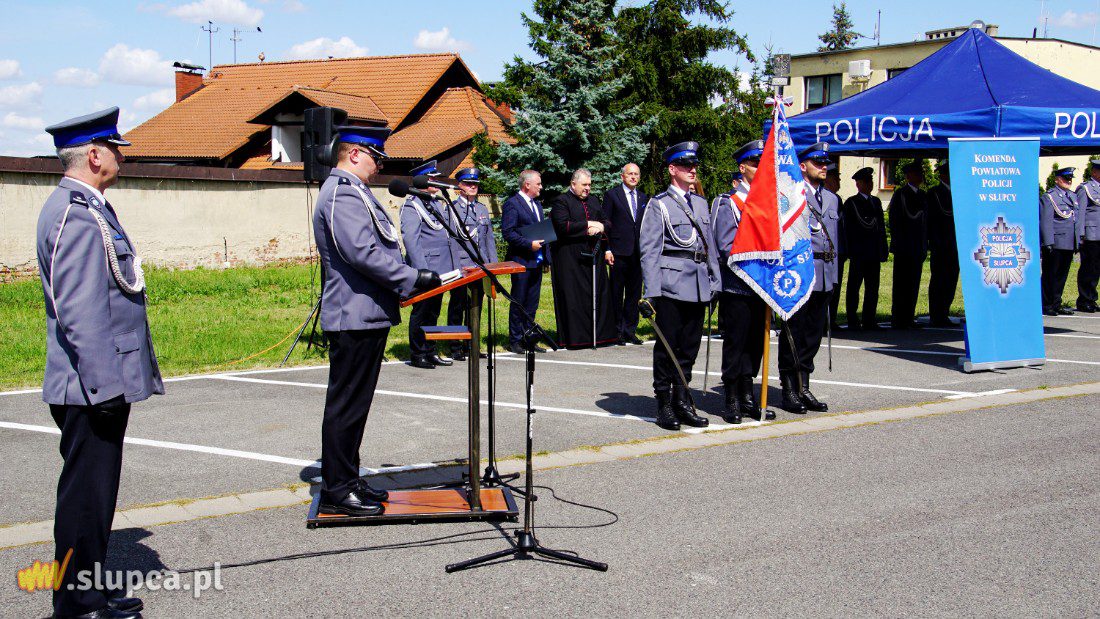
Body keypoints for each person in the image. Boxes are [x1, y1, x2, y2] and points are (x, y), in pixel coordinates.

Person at [38, 107, 158, 619]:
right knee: (85, 500)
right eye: (115, 147)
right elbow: (80, 312)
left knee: (95, 497)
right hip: (90, 387)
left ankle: (88, 587)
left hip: (96, 382)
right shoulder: (77, 214)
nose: (120, 155)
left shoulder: (87, 207)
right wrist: (105, 387)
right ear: (93, 154)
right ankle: (78, 604)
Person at [313, 126, 440, 517]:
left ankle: (348, 478)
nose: (379, 164)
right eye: (375, 157)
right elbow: (363, 253)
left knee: (356, 405)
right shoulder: (342, 193)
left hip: (367, 312)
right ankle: (337, 487)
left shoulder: (356, 192)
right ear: (353, 155)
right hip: (352, 314)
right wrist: (411, 278)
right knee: (346, 405)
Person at [639, 141, 720, 430]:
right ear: (672, 169)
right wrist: (651, 292)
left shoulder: (699, 202)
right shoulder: (659, 204)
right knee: (667, 348)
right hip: (672, 285)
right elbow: (649, 250)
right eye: (686, 165)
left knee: (689, 348)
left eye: (694, 165)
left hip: (698, 284)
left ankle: (683, 400)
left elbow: (708, 245)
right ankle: (664, 404)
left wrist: (715, 279)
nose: (692, 169)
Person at [710, 140, 770, 424]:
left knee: (756, 343)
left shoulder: (769, 202)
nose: (759, 169)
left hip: (763, 286)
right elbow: (724, 245)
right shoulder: (728, 203)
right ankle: (731, 397)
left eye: (762, 163)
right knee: (736, 342)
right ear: (742, 167)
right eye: (755, 163)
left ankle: (748, 395)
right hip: (738, 284)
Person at [779, 142, 838, 414]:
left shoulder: (832, 198)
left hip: (825, 275)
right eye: (817, 162)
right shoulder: (792, 196)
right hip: (801, 274)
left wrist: (835, 275)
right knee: (794, 333)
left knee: (813, 335)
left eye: (825, 162)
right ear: (802, 166)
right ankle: (789, 388)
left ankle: (804, 385)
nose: (823, 166)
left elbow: (835, 241)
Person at [548, 168, 618, 348]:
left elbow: (608, 222)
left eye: (589, 185)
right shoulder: (561, 201)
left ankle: (601, 336)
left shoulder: (594, 201)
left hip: (593, 256)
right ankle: (576, 338)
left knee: (597, 295)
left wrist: (600, 227)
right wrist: (589, 224)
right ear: (573, 184)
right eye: (584, 185)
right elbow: (563, 226)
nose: (587, 188)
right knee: (574, 298)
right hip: (570, 258)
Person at [401, 159, 457, 369]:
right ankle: (418, 353)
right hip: (425, 269)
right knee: (422, 311)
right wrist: (421, 271)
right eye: (431, 179)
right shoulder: (412, 206)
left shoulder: (434, 203)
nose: (436, 182)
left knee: (434, 312)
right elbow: (411, 241)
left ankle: (430, 350)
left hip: (441, 268)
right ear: (421, 181)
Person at [446, 167, 497, 360]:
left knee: (476, 306)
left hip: (480, 266)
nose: (473, 187)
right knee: (457, 305)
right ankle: (455, 346)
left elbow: (489, 240)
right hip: (462, 266)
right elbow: (451, 240)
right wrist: (455, 267)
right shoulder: (452, 209)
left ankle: (472, 344)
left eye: (475, 184)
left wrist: (492, 265)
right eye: (468, 183)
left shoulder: (482, 209)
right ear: (460, 186)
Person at [501, 169, 549, 354]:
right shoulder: (513, 204)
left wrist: (546, 258)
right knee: (519, 301)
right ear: (527, 184)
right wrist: (529, 245)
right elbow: (509, 233)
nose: (541, 187)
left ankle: (529, 338)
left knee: (532, 303)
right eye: (538, 183)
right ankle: (515, 340)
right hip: (521, 261)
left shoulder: (537, 205)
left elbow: (541, 231)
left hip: (536, 262)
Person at [602, 163, 648, 345]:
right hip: (618, 252)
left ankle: (630, 330)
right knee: (616, 292)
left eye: (636, 174)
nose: (633, 177)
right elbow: (605, 223)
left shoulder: (643, 197)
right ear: (622, 176)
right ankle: (616, 331)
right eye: (630, 174)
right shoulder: (612, 195)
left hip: (637, 253)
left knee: (634, 294)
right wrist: (607, 249)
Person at [840, 167, 888, 330]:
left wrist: (883, 249)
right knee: (854, 287)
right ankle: (852, 319)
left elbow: (880, 227)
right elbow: (849, 229)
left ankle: (869, 319)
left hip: (873, 252)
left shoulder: (876, 202)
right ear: (858, 184)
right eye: (867, 181)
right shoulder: (852, 203)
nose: (870, 184)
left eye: (871, 181)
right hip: (859, 252)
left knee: (872, 287)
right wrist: (849, 250)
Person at [888, 161, 929, 329]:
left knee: (913, 283)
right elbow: (896, 219)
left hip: (917, 246)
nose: (920, 176)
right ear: (908, 176)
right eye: (916, 173)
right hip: (904, 247)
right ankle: (898, 317)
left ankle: (909, 316)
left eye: (920, 173)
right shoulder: (901, 194)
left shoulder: (922, 195)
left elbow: (926, 221)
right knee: (901, 283)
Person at [1041, 167, 1080, 316]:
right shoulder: (1049, 197)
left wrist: (1076, 241)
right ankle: (1047, 304)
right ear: (1057, 179)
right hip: (1055, 242)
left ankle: (1056, 303)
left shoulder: (1072, 196)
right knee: (1050, 274)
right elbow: (1046, 221)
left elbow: (1075, 220)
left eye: (1070, 178)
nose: (1068, 181)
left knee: (1062, 275)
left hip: (1068, 242)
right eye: (1065, 178)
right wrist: (1048, 241)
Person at [926, 161, 959, 326]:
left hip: (955, 245)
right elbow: (932, 221)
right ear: (944, 175)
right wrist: (935, 242)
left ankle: (944, 311)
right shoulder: (935, 193)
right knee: (939, 280)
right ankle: (936, 314)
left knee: (951, 279)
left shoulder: (959, 193)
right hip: (941, 245)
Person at [1075, 159, 1100, 312]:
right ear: (1094, 172)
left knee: (1097, 269)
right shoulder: (1085, 189)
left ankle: (1092, 298)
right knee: (1088, 268)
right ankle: (1084, 300)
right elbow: (1080, 214)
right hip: (1090, 235)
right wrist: (1080, 235)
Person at [825, 163, 845, 330]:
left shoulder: (837, 199)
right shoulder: (825, 199)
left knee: (835, 286)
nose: (839, 181)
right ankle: (824, 319)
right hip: (824, 253)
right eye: (836, 178)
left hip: (838, 251)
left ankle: (832, 318)